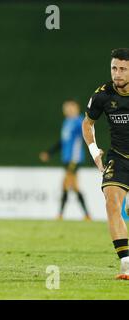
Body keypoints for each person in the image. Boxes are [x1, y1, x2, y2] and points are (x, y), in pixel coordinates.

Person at [82, 48, 129, 280]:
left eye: (122, 69)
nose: (117, 74)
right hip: (118, 157)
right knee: (112, 201)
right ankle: (126, 264)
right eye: (114, 68)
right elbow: (87, 124)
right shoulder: (103, 94)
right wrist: (94, 151)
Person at [39, 100, 91, 221]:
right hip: (66, 158)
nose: (67, 110)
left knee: (66, 184)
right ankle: (87, 215)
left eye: (70, 108)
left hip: (75, 158)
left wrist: (94, 152)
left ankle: (60, 215)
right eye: (66, 108)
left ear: (76, 108)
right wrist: (49, 153)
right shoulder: (66, 122)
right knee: (74, 186)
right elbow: (63, 142)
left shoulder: (79, 122)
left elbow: (88, 135)